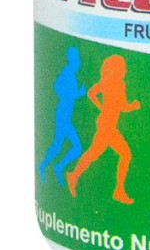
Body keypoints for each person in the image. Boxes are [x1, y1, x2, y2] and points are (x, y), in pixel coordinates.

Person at [67, 54, 141, 204]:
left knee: (94, 153)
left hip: (106, 123)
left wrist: (101, 107)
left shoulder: (109, 82)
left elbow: (91, 93)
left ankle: (74, 176)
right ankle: (118, 190)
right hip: (107, 125)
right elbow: (122, 106)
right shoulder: (118, 84)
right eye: (123, 68)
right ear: (117, 69)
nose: (125, 71)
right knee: (125, 154)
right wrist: (133, 106)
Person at [38, 47, 86, 186]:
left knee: (60, 145)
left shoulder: (71, 73)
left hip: (65, 115)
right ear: (73, 60)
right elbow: (57, 87)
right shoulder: (68, 72)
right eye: (77, 60)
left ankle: (52, 166)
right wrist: (78, 94)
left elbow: (63, 90)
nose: (79, 63)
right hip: (63, 115)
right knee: (73, 147)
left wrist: (74, 94)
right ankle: (49, 166)